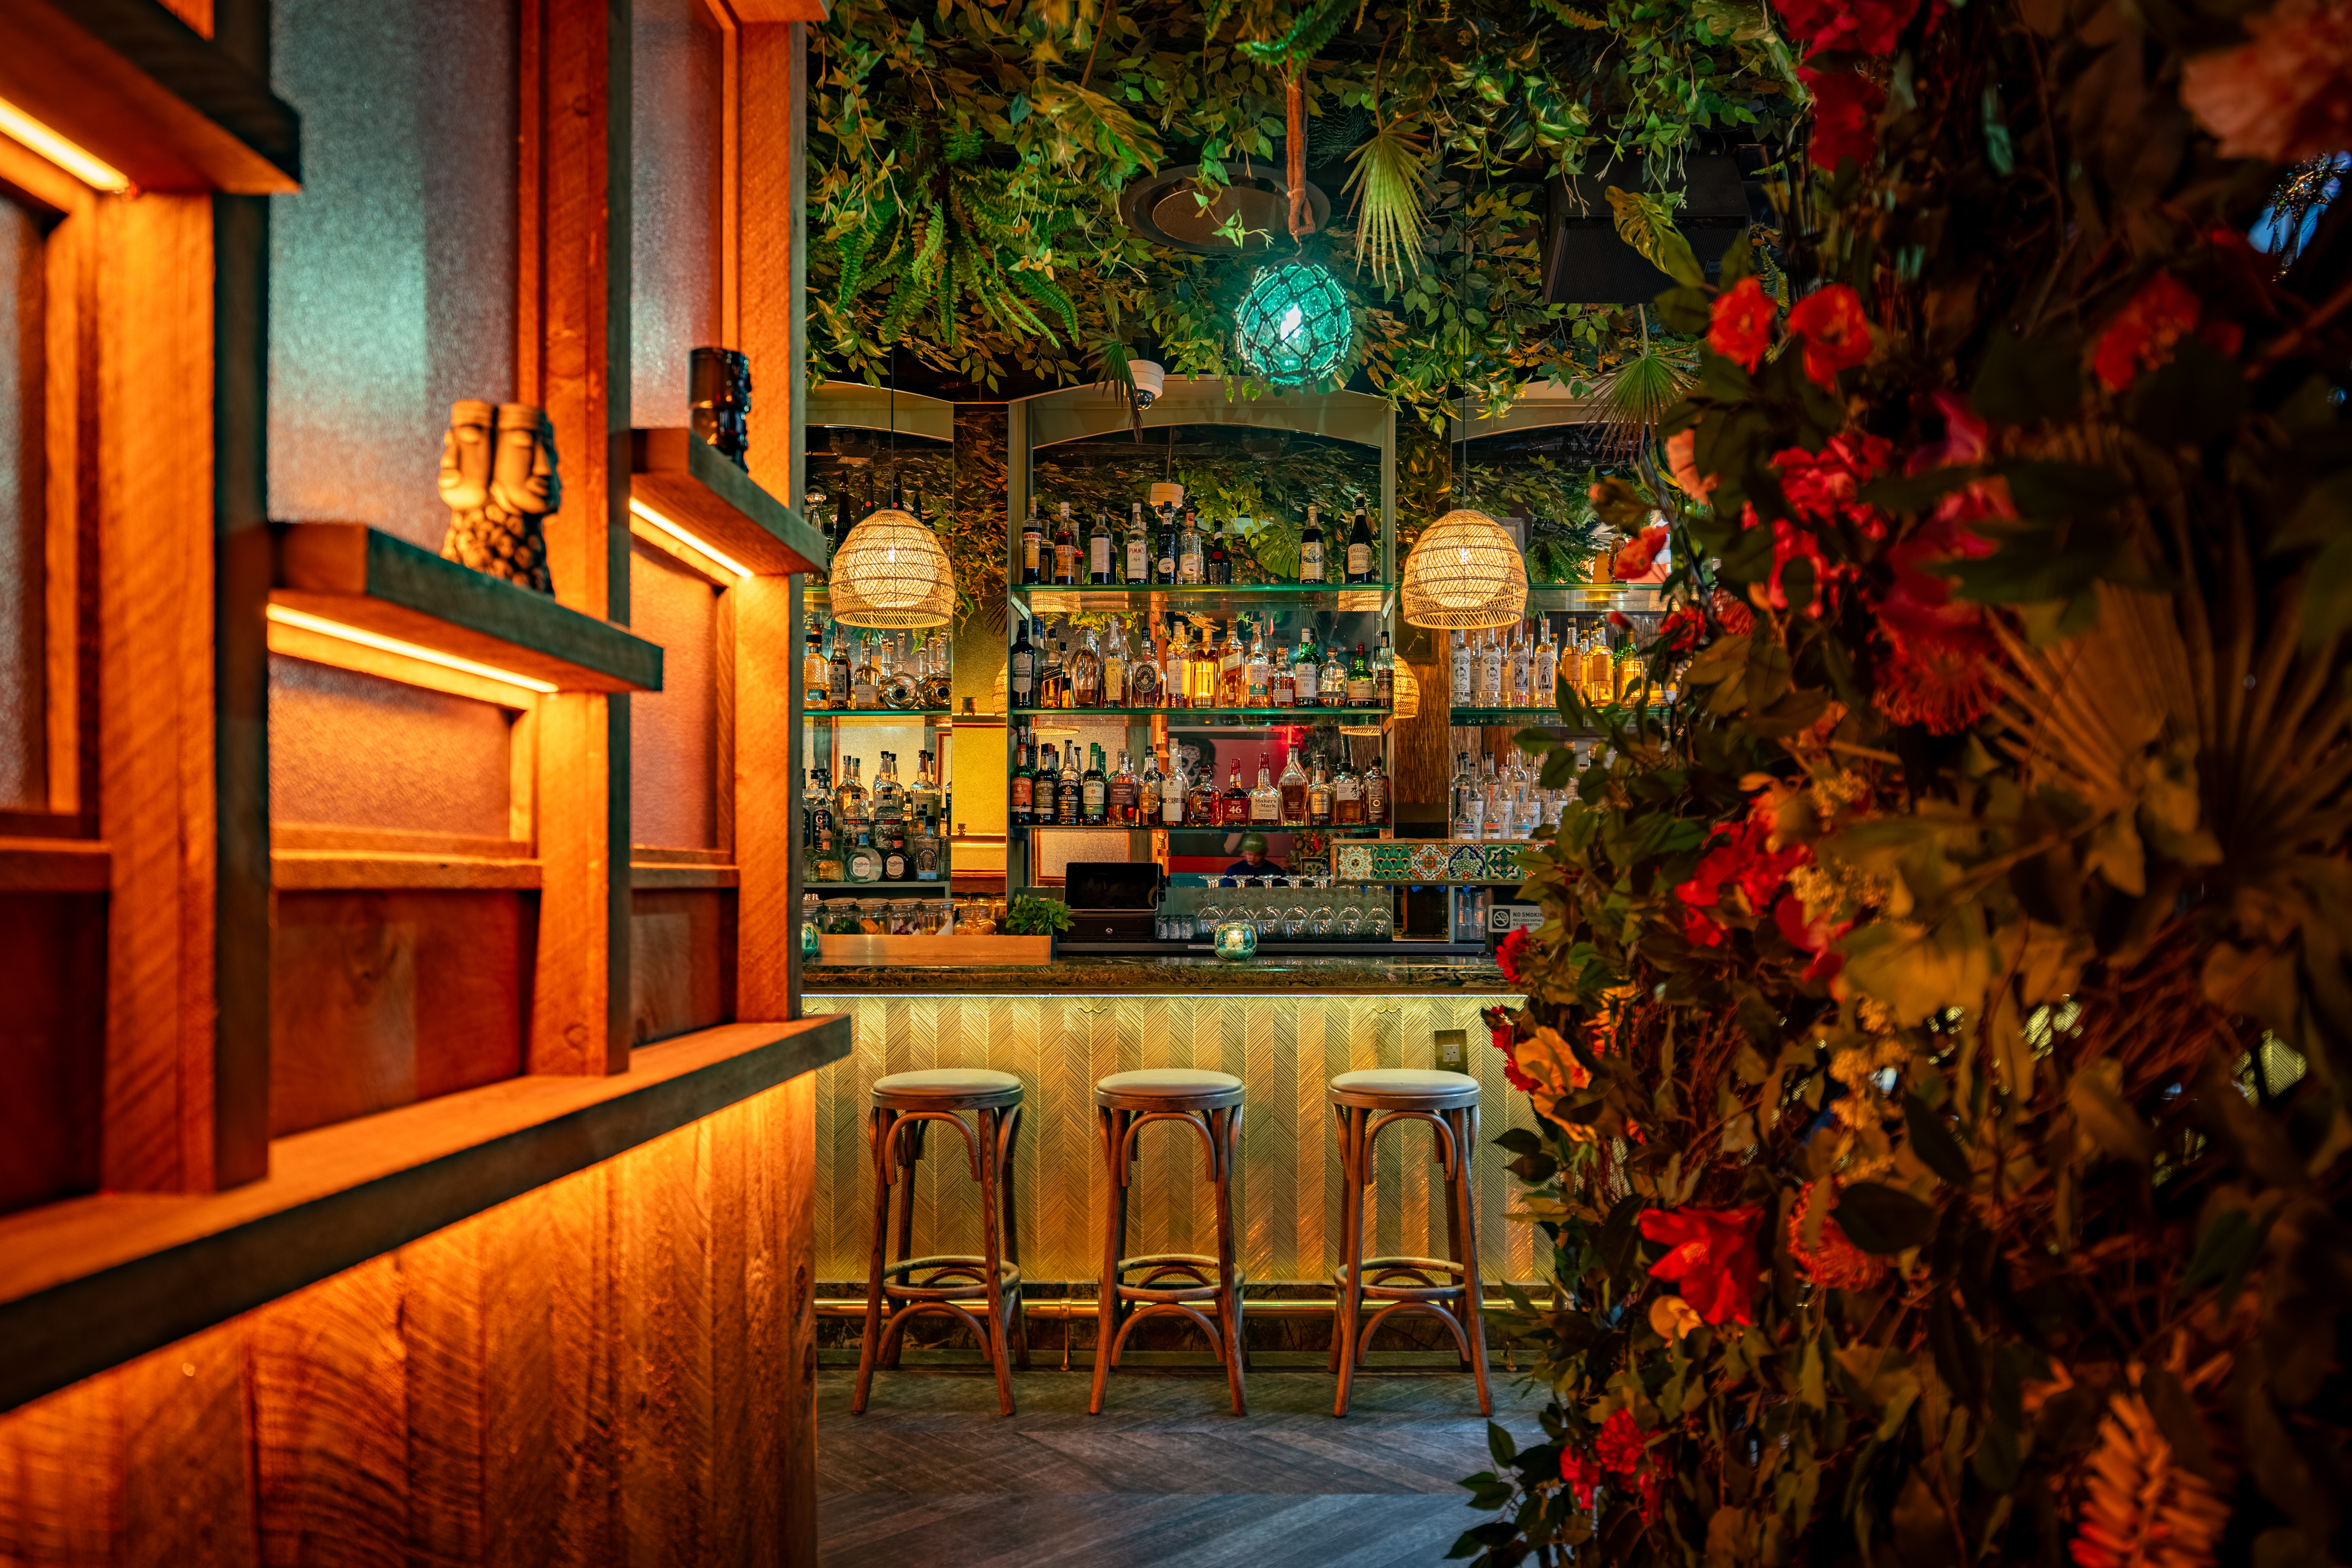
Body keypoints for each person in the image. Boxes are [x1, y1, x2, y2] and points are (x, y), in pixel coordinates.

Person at [1220, 832, 1287, 879]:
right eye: (1249, 854)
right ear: (1245, 852)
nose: (1252, 858)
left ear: (1265, 853)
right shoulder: (1233, 870)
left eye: (1257, 855)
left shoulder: (1277, 872)